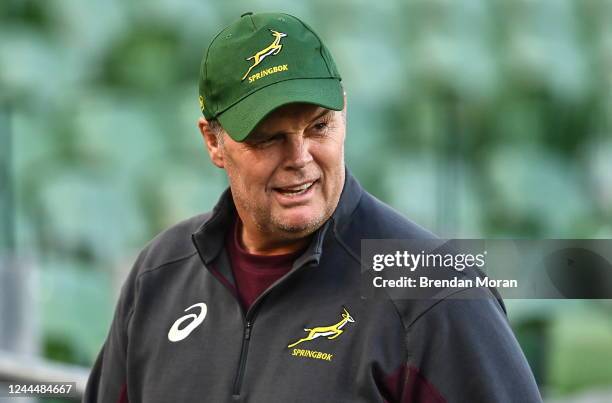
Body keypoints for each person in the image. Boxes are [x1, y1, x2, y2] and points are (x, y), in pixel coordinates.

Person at [83, 12, 542, 403]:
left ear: (343, 112)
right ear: (213, 141)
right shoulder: (160, 274)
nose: (300, 159)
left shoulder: (434, 291)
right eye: (269, 138)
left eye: (319, 127)